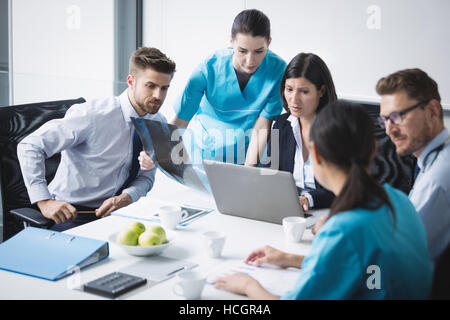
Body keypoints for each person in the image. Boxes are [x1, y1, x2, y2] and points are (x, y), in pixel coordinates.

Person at [213, 101, 433, 299]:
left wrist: (249, 286)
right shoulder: (399, 200)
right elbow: (359, 268)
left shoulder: (342, 229)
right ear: (374, 149)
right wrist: (290, 259)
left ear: (315, 153)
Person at [17, 47, 176, 231]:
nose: (158, 96)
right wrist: (43, 202)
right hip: (70, 214)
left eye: (164, 88)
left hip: (118, 214)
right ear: (131, 81)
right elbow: (30, 146)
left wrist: (128, 196)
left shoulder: (157, 123)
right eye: (151, 86)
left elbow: (146, 177)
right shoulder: (92, 115)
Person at [139, 9, 286, 170]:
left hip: (250, 155)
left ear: (269, 43)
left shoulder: (278, 71)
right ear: (231, 42)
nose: (250, 60)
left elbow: (262, 126)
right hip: (206, 156)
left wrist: (248, 172)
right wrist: (157, 152)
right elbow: (181, 119)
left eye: (259, 51)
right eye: (242, 51)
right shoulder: (208, 68)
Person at [376, 68, 450, 263]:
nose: (389, 130)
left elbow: (395, 255)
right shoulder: (435, 157)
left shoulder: (438, 179)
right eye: (385, 120)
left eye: (397, 116)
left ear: (432, 111)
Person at [262, 53, 336, 212]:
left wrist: (308, 199)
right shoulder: (280, 125)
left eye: (304, 91)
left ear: (321, 91)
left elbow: (345, 188)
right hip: (289, 209)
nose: (294, 100)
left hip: (327, 211)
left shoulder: (337, 130)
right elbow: (270, 175)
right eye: (289, 89)